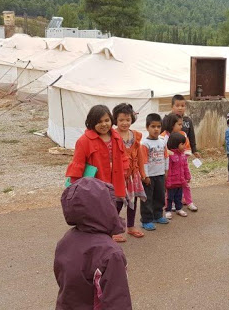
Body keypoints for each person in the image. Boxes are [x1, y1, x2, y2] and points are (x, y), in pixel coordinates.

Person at [54, 178, 132, 309]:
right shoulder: (110, 253)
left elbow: (62, 279)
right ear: (107, 207)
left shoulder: (66, 240)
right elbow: (118, 301)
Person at [65, 104, 129, 242]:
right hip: (97, 181)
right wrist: (75, 184)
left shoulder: (115, 136)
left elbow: (123, 154)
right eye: (99, 122)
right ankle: (100, 236)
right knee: (97, 208)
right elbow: (78, 163)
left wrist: (125, 169)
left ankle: (111, 231)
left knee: (114, 204)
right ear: (91, 122)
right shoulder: (84, 141)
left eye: (106, 120)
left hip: (115, 178)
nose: (104, 124)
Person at [113, 104, 147, 239]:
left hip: (133, 175)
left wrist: (142, 173)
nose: (125, 123)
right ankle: (113, 230)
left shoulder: (135, 135)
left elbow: (139, 155)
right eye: (121, 120)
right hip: (119, 176)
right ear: (115, 119)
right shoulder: (112, 135)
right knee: (117, 203)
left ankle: (131, 226)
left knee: (134, 200)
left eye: (127, 119)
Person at [140, 113, 169, 230]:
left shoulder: (162, 141)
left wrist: (166, 170)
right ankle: (146, 220)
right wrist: (145, 176)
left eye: (158, 126)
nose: (156, 129)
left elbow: (166, 156)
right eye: (153, 126)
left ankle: (158, 215)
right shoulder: (144, 144)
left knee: (160, 196)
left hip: (160, 174)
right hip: (149, 176)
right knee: (147, 198)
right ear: (147, 127)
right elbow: (143, 162)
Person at [171, 95, 200, 212]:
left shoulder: (188, 121)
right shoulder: (168, 119)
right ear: (172, 106)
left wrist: (194, 150)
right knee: (172, 179)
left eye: (182, 106)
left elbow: (192, 136)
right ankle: (171, 200)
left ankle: (185, 198)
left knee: (184, 177)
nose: (180, 108)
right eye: (177, 105)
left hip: (184, 155)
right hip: (172, 156)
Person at [165, 132, 191, 219]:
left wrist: (187, 176)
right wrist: (167, 181)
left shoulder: (183, 155)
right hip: (172, 181)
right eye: (182, 144)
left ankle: (179, 208)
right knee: (169, 197)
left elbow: (185, 166)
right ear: (176, 144)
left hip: (181, 180)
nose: (184, 146)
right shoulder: (170, 156)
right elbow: (168, 169)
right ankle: (168, 210)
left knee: (179, 196)